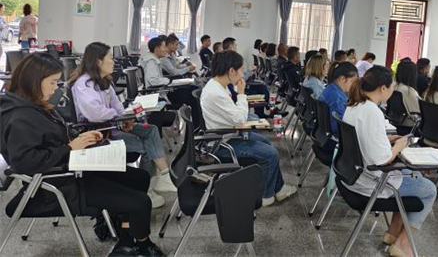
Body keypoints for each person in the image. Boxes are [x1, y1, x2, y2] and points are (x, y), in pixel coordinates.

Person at [0, 53, 166, 257]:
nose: (55, 88)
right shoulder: (19, 117)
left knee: (139, 177)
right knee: (140, 202)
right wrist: (70, 148)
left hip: (70, 171)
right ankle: (142, 245)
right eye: (52, 82)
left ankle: (125, 237)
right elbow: (27, 162)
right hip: (58, 186)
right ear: (33, 81)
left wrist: (82, 139)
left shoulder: (35, 106)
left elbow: (53, 140)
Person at [343, 65, 436, 257]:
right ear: (383, 88)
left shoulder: (355, 105)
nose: (393, 90)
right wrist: (399, 146)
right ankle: (403, 244)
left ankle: (393, 233)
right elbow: (383, 160)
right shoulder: (372, 112)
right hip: (371, 183)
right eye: (392, 86)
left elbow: (362, 138)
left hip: (354, 175)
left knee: (409, 174)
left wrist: (385, 140)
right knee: (429, 190)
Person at [71, 42, 176, 209]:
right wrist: (118, 117)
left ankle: (163, 176)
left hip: (112, 125)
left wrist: (126, 118)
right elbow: (95, 114)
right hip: (99, 132)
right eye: (110, 58)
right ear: (98, 61)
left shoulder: (105, 80)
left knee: (151, 130)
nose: (114, 62)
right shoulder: (84, 84)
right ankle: (147, 189)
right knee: (145, 146)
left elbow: (117, 106)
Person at [200, 50, 296, 206]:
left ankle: (278, 189)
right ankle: (265, 196)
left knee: (266, 143)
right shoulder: (215, 93)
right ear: (231, 71)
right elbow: (239, 118)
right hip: (223, 144)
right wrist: (241, 93)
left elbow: (235, 113)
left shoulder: (219, 86)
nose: (242, 75)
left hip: (229, 133)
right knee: (271, 154)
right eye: (240, 70)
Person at [319, 62, 358, 137]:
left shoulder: (331, 88)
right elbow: (339, 127)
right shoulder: (337, 99)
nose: (354, 85)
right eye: (352, 81)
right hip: (334, 138)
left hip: (323, 134)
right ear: (343, 79)